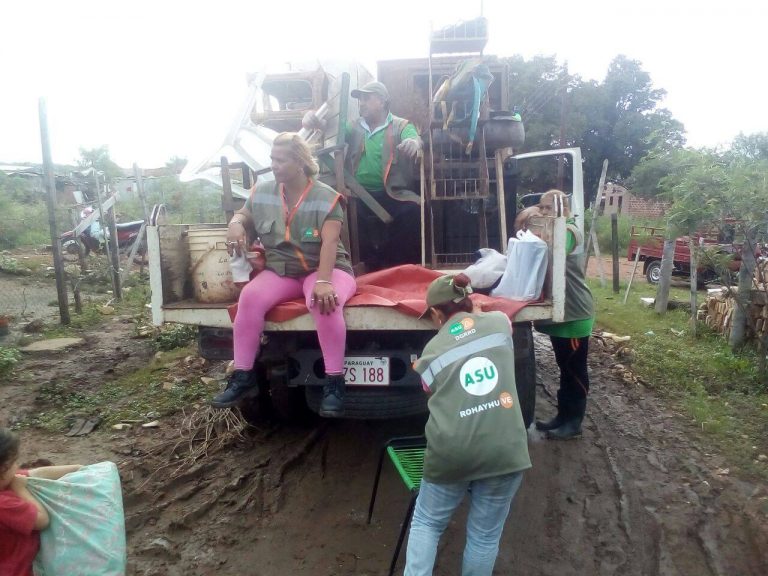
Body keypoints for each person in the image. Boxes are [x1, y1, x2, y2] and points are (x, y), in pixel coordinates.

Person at [211, 132, 356, 418]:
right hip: (284, 271)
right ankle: (243, 376)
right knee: (250, 298)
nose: (274, 165)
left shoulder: (326, 198)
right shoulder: (262, 192)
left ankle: (334, 382)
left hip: (326, 268)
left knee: (323, 302)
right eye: (272, 159)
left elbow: (329, 243)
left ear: (300, 163)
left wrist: (325, 282)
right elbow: (243, 215)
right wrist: (236, 223)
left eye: (281, 160)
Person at [404, 273, 531, 576]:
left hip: (451, 453)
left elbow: (429, 389)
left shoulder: (429, 354)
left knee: (427, 522)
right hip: (506, 450)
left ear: (436, 314)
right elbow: (494, 319)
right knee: (484, 536)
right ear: (471, 301)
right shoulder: (500, 324)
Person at [518, 190, 595, 439]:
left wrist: (534, 223)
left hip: (574, 314)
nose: (542, 213)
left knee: (574, 371)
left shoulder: (570, 231)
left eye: (546, 208)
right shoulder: (554, 227)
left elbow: (556, 244)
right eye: (541, 208)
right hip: (566, 314)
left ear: (561, 209)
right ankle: (562, 417)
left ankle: (574, 423)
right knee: (565, 369)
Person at [345, 81, 422, 268]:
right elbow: (329, 128)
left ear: (382, 101)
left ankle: (392, 266)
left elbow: (414, 138)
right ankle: (368, 265)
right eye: (359, 99)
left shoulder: (401, 125)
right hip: (358, 194)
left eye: (366, 98)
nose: (361, 103)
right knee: (344, 214)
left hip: (392, 193)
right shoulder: (353, 126)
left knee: (412, 210)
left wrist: (413, 143)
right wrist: (312, 119)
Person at [0, 428, 82, 576]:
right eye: (14, 462)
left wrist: (77, 469)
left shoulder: (6, 481)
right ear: (3, 469)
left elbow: (37, 474)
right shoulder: (4, 504)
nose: (17, 466)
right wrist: (21, 490)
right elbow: (42, 520)